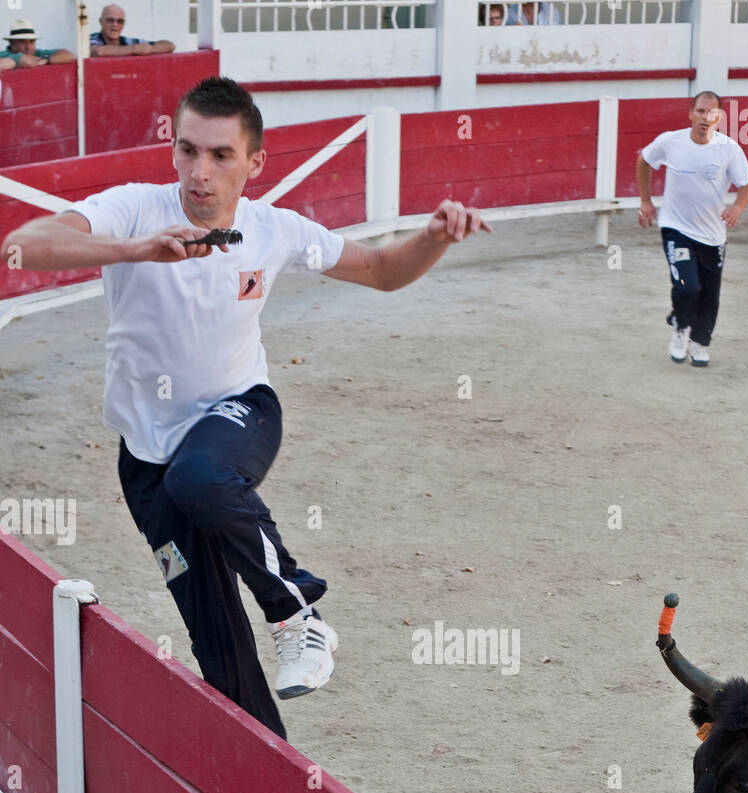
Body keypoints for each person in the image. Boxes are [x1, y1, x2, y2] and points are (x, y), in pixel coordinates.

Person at [1, 77, 490, 742]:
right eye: (187, 151)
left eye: (220, 155)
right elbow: (22, 245)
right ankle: (274, 786)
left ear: (254, 162)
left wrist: (433, 238)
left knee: (199, 477)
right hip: (144, 462)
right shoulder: (134, 210)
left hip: (240, 415)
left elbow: (379, 269)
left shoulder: (274, 229)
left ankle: (298, 616)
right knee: (215, 643)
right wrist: (131, 249)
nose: (199, 173)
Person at [636, 91, 748, 367]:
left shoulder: (729, 149)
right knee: (688, 287)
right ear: (690, 113)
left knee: (709, 294)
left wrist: (737, 207)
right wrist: (645, 200)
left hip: (713, 235)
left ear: (720, 118)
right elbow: (644, 160)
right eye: (700, 111)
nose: (705, 118)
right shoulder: (671, 142)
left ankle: (700, 343)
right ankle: (680, 328)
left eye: (711, 113)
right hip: (676, 227)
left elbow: (746, 185)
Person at [89, 5, 176, 56]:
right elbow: (98, 51)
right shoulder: (92, 38)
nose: (115, 24)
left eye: (120, 21)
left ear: (123, 24)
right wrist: (133, 49)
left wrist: (151, 49)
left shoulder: (128, 41)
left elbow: (170, 46)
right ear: (101, 22)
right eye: (110, 20)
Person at [1, 21, 75, 66]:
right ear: (11, 43)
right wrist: (43, 60)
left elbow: (68, 55)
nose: (28, 47)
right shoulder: (3, 55)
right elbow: (27, 61)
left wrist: (47, 59)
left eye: (31, 41)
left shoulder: (36, 52)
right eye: (22, 42)